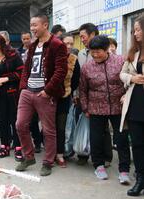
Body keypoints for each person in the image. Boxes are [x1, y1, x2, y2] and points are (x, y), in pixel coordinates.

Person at [15, 14, 68, 177]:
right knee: (20, 124)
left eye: (35, 25)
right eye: (31, 25)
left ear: (45, 25)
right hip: (27, 91)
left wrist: (48, 90)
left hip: (45, 93)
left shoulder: (57, 44)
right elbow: (27, 68)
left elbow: (61, 71)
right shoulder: (32, 45)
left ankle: (48, 162)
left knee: (48, 130)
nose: (32, 29)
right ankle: (29, 156)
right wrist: (23, 86)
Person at [79, 35, 131, 183]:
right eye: (92, 52)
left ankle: (124, 170)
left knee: (121, 139)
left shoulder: (120, 61)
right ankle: (99, 165)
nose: (95, 55)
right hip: (96, 107)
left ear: (107, 49)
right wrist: (85, 107)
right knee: (96, 138)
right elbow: (83, 89)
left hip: (118, 107)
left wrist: (127, 96)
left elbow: (129, 81)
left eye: (98, 51)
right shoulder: (87, 67)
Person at [76, 23, 113, 167]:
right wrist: (77, 94)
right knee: (83, 124)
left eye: (83, 36)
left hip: (102, 99)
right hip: (84, 95)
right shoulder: (81, 54)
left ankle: (106, 157)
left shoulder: (106, 53)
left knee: (102, 130)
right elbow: (79, 78)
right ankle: (83, 153)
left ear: (92, 35)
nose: (82, 39)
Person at [0, 34, 24, 162]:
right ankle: (4, 146)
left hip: (13, 94)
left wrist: (7, 78)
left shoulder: (13, 56)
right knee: (2, 121)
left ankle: (18, 147)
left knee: (15, 121)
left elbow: (22, 72)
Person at [120, 15, 144, 197]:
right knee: (137, 144)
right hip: (135, 104)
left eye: (138, 29)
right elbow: (122, 73)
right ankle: (140, 179)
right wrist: (132, 78)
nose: (135, 33)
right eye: (134, 30)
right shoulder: (133, 53)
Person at [55, 34, 80, 168]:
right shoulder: (52, 57)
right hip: (49, 97)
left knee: (61, 126)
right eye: (66, 43)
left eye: (71, 43)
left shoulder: (74, 60)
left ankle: (59, 153)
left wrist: (67, 89)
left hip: (64, 98)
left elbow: (76, 80)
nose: (69, 46)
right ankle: (49, 153)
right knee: (48, 127)